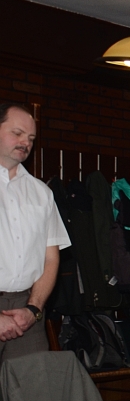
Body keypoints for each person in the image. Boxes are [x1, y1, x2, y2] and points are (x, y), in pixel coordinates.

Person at [0, 103, 71, 363]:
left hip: (26, 312)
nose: (25, 143)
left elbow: (50, 258)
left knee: (34, 387)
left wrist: (33, 308)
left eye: (30, 138)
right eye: (17, 133)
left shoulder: (42, 192)